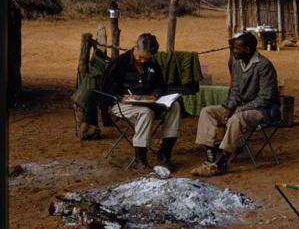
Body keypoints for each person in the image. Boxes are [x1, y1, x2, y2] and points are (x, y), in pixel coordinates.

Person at [191, 32, 280, 177]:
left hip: (261, 110)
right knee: (207, 111)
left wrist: (240, 109)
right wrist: (229, 108)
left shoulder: (264, 66)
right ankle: (210, 158)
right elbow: (236, 90)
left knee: (236, 118)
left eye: (237, 49)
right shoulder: (236, 62)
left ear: (247, 50)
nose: (234, 51)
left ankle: (222, 163)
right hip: (240, 107)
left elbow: (266, 97)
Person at [100, 33, 181, 171]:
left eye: (147, 58)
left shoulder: (153, 64)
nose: (143, 61)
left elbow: (160, 86)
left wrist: (155, 95)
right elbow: (107, 89)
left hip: (149, 103)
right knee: (145, 113)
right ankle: (140, 160)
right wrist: (120, 97)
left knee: (175, 107)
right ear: (135, 47)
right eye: (141, 57)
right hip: (121, 105)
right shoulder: (120, 63)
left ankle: (164, 154)